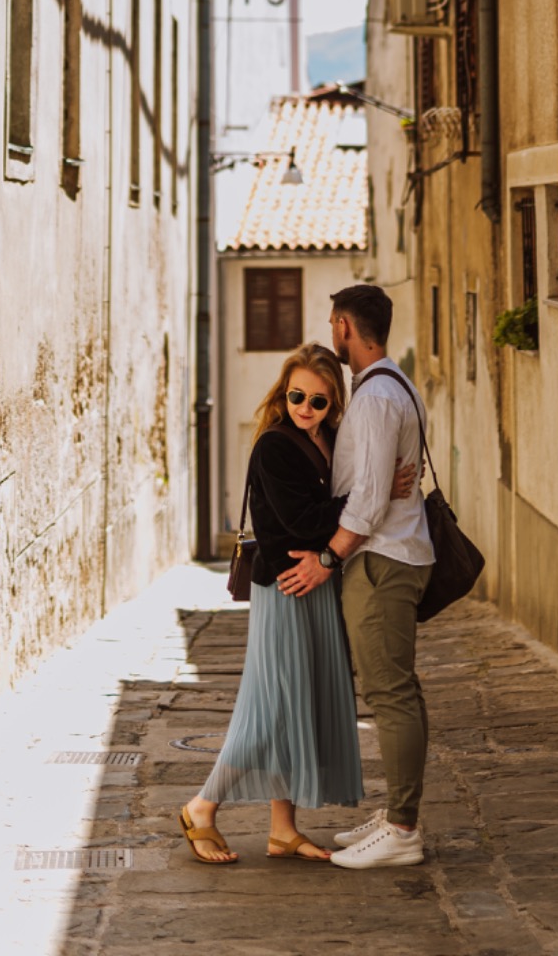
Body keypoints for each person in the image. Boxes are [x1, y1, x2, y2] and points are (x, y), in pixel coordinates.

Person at [179, 343, 415, 866]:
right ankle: (201, 807)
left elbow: (343, 498)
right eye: (296, 396)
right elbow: (303, 521)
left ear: (335, 405)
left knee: (296, 706)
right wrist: (374, 496)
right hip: (286, 586)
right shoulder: (274, 446)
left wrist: (373, 490)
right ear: (282, 393)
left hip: (316, 585)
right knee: (272, 712)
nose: (305, 407)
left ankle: (282, 830)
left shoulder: (328, 439)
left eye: (319, 400)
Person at [279, 284, 433, 870]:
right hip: (394, 553)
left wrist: (326, 559)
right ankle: (397, 811)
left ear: (344, 325)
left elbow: (367, 501)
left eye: (330, 321)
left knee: (391, 694)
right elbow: (379, 480)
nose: (331, 330)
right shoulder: (396, 384)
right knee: (398, 691)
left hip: (381, 561)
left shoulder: (372, 399)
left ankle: (402, 828)